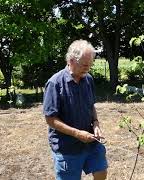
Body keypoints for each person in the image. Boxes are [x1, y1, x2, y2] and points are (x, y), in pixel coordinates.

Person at [43, 39, 108, 180]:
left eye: (90, 65)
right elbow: (50, 119)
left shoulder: (88, 79)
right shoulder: (55, 83)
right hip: (67, 148)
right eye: (85, 65)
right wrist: (77, 134)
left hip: (91, 143)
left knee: (101, 171)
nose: (88, 68)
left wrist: (96, 123)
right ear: (71, 61)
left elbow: (91, 105)